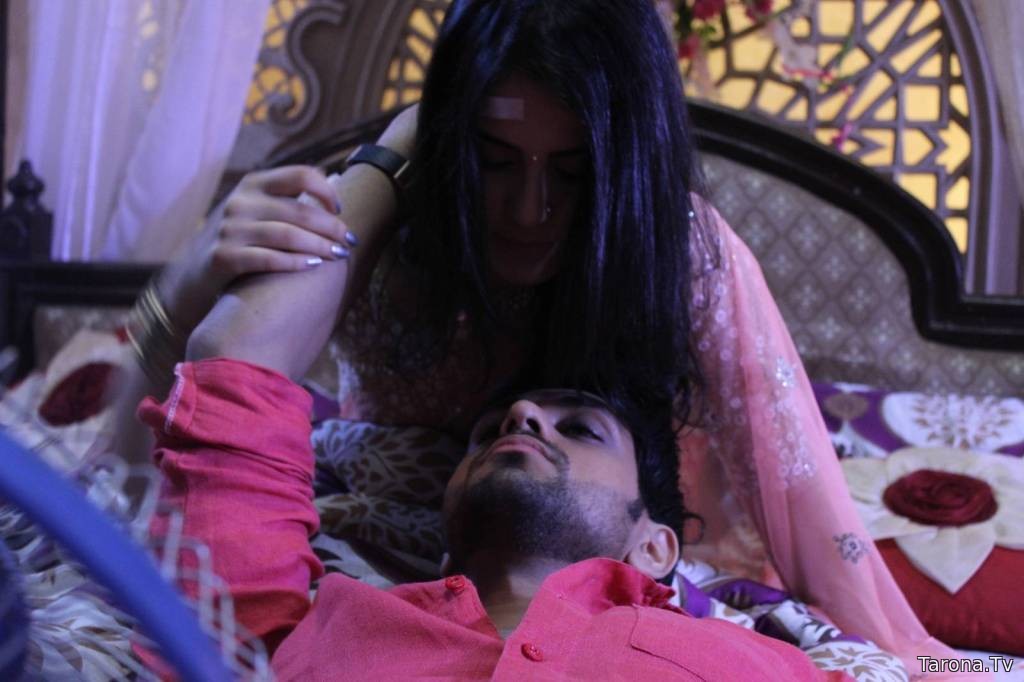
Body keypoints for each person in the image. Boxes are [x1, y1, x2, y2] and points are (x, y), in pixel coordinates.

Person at [118, 0, 959, 676]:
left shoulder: (684, 260)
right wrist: (393, 161)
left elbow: (829, 550)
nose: (529, 211)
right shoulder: (393, 218)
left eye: (573, 171)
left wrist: (944, 666)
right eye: (490, 159)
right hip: (382, 559)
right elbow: (226, 376)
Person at [139, 352, 850, 680]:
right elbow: (233, 412)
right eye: (490, 434)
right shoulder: (312, 631)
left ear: (655, 548)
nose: (524, 415)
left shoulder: (762, 664)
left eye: (582, 429)